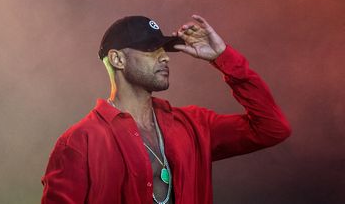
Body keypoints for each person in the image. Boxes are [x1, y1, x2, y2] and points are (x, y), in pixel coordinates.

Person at [41, 15, 292, 204]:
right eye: (151, 50)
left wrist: (223, 57)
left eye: (165, 49)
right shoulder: (80, 141)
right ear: (118, 59)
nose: (165, 57)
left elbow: (272, 128)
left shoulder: (193, 124)